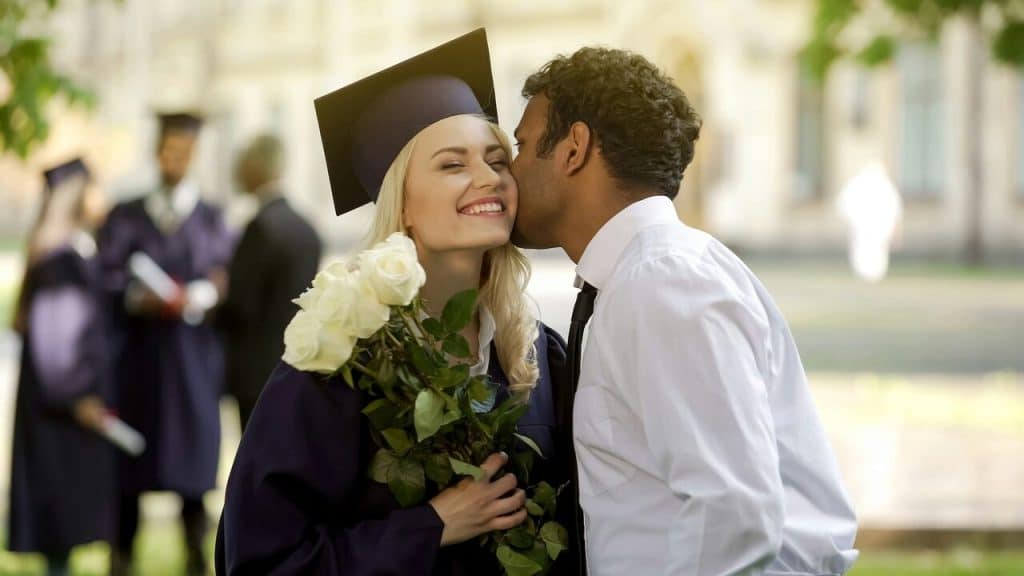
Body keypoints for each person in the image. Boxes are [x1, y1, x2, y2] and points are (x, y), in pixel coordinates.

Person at [215, 29, 579, 575]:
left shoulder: (533, 352)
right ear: (401, 202)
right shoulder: (341, 363)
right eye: (453, 165)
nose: (489, 178)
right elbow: (262, 560)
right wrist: (430, 527)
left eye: (498, 160)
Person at [510, 47, 859, 574]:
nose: (506, 171)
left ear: (573, 149)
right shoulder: (639, 276)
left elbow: (732, 515)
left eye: (520, 146)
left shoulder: (662, 281)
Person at [96, 112, 235, 575]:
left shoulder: (213, 218)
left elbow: (225, 278)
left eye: (183, 149)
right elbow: (107, 275)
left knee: (192, 468)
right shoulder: (126, 213)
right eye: (167, 148)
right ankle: (121, 557)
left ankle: (196, 556)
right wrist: (139, 297)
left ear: (194, 155)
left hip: (192, 362)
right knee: (130, 465)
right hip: (136, 362)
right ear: (158, 152)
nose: (174, 157)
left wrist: (197, 295)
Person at [7, 158, 115, 576]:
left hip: (56, 407)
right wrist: (79, 397)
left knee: (60, 532)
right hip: (61, 409)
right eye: (94, 187)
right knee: (58, 530)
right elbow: (57, 345)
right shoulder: (59, 259)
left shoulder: (61, 252)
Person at [220, 134, 322, 429]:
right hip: (298, 365)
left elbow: (241, 303)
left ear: (254, 167)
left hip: (257, 371)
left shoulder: (260, 227)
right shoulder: (306, 228)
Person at [836, 160, 903, 283]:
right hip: (866, 226)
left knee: (874, 250)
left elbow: (894, 209)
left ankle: (872, 273)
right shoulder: (862, 186)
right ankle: (867, 273)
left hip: (875, 226)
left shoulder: (883, 187)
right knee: (865, 249)